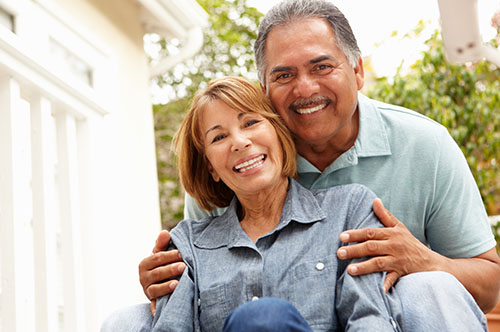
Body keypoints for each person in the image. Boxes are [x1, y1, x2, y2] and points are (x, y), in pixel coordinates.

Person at [100, 0, 499, 330]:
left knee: (427, 287)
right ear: (264, 91)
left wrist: (424, 261)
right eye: (284, 75)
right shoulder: (249, 158)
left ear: (357, 71)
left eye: (322, 66)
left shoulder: (420, 146)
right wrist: (164, 284)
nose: (305, 88)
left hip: (389, 315)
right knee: (127, 320)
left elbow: (491, 283)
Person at [146, 75, 486, 331]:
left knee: (266, 318)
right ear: (210, 167)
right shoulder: (189, 244)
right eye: (219, 137)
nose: (239, 141)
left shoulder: (350, 209)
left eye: (251, 122)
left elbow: (370, 318)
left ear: (280, 134)